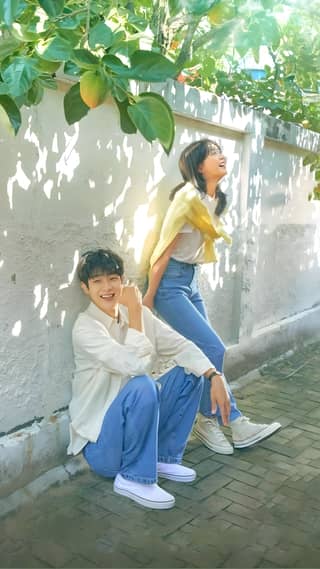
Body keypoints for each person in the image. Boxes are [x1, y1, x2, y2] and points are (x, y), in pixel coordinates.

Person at [143, 139, 281, 455]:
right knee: (214, 347)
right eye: (212, 153)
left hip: (189, 281)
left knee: (209, 351)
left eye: (221, 151)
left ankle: (222, 421)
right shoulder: (187, 198)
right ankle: (217, 420)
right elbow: (164, 249)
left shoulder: (213, 199)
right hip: (169, 284)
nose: (221, 156)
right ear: (197, 165)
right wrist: (149, 297)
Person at [67, 248, 231, 510]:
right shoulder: (86, 328)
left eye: (113, 279)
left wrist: (214, 375)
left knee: (189, 373)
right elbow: (136, 365)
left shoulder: (135, 314)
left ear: (123, 281)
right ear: (86, 288)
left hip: (132, 435)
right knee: (143, 385)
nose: (107, 287)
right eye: (97, 281)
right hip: (103, 449)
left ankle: (162, 457)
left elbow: (181, 346)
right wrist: (135, 309)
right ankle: (133, 477)